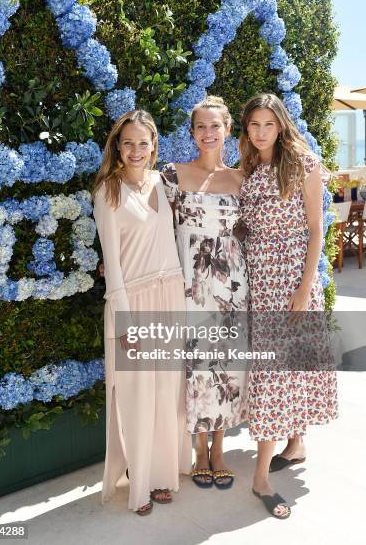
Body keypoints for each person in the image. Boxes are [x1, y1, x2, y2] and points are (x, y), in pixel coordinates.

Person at [239, 92, 338, 519]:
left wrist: (304, 287)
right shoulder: (248, 168)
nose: (261, 133)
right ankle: (295, 444)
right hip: (257, 280)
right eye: (254, 125)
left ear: (280, 125)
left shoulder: (304, 164)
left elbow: (316, 231)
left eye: (268, 124)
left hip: (293, 280)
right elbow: (242, 226)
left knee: (275, 374)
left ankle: (260, 476)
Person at [92, 109, 191, 516]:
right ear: (118, 145)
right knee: (135, 396)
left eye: (143, 142)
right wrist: (126, 321)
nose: (135, 150)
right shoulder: (107, 191)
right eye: (127, 142)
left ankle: (164, 475)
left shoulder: (165, 184)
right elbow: (112, 264)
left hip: (170, 296)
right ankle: (138, 482)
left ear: (154, 146)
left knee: (168, 395)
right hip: (132, 303)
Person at [161, 96, 248, 491]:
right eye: (201, 126)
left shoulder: (243, 178)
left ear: (228, 129)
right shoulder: (172, 175)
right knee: (196, 364)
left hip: (232, 284)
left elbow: (252, 230)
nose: (209, 133)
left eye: (216, 126)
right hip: (190, 284)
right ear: (192, 132)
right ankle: (199, 449)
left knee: (227, 365)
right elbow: (151, 225)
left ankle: (219, 450)